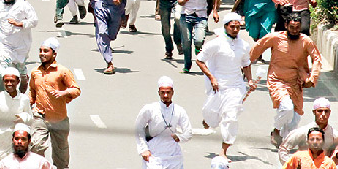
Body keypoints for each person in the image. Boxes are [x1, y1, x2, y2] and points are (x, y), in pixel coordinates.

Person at [250, 13, 322, 146]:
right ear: (286, 26)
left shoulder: (306, 41)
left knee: (295, 119)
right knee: (287, 108)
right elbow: (259, 46)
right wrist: (246, 65)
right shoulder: (275, 38)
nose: (295, 31)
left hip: (296, 81)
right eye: (292, 27)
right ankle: (276, 130)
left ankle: (284, 143)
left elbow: (317, 58)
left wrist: (313, 77)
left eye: (297, 28)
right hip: (277, 80)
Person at [195, 12, 254, 159]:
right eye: (232, 27)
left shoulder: (244, 45)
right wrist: (211, 78)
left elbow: (246, 64)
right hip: (218, 86)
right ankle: (209, 119)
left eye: (238, 27)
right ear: (226, 26)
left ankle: (224, 151)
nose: (235, 30)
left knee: (231, 117)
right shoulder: (215, 43)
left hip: (236, 86)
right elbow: (199, 60)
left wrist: (250, 80)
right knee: (210, 114)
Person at [28, 37, 80, 169]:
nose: (42, 54)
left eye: (46, 51)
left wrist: (64, 93)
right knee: (36, 147)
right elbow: (32, 92)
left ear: (54, 54)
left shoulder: (62, 71)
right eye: (40, 51)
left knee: (61, 154)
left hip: (59, 118)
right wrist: (25, 105)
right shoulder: (35, 72)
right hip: (40, 116)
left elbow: (76, 90)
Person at [134, 77, 192, 169]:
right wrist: (144, 149)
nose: (165, 95)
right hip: (154, 154)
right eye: (163, 92)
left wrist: (180, 137)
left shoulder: (179, 111)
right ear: (159, 93)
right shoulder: (150, 109)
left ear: (173, 92)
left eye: (168, 92)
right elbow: (138, 128)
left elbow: (188, 132)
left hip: (173, 155)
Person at [177, 0, 219, 73]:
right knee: (186, 41)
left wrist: (215, 11)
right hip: (186, 14)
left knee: (199, 39)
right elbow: (179, 1)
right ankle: (187, 64)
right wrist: (184, 0)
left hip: (201, 15)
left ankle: (198, 47)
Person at [0, 0, 38, 84]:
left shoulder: (24, 5)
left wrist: (20, 24)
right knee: (1, 66)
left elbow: (34, 21)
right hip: (4, 44)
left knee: (19, 71)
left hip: (21, 46)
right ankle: (7, 91)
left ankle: (22, 84)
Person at [279, 98, 336, 164]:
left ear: (330, 112)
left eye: (326, 111)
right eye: (320, 111)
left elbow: (336, 155)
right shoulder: (303, 131)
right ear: (314, 112)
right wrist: (292, 165)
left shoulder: (334, 135)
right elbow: (283, 149)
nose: (323, 114)